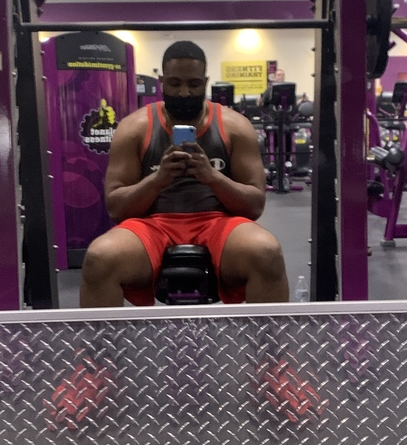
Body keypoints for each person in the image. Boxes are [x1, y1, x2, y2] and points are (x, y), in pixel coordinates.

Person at [80, 41, 289, 307]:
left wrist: (212, 177)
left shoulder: (235, 126)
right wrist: (158, 180)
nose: (184, 92)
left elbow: (254, 205)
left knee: (267, 252)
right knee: (99, 258)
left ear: (206, 82)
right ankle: (103, 338)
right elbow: (117, 208)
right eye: (175, 83)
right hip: (153, 224)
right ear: (161, 82)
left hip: (218, 221)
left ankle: (267, 338)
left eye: (194, 84)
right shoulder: (134, 128)